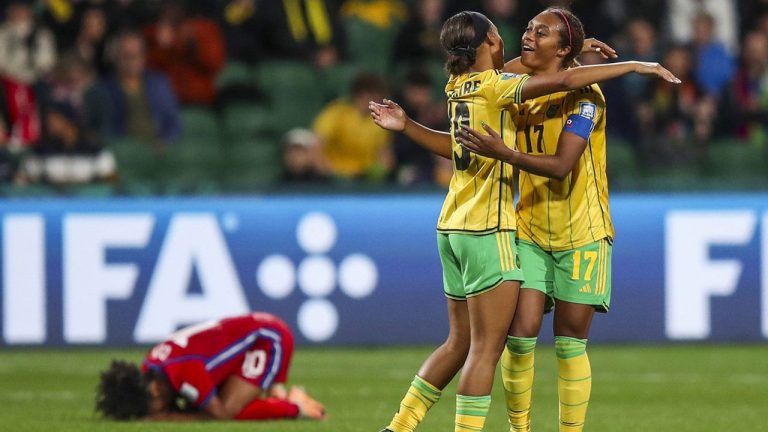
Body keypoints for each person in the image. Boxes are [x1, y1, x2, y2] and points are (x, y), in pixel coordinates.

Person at [370, 10, 679, 432]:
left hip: (576, 230)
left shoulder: (564, 95)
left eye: (540, 32)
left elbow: (561, 163)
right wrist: (632, 64)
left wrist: (410, 127)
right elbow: (541, 75)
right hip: (511, 229)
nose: (525, 36)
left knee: (560, 344)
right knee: (505, 341)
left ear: (562, 47)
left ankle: (402, 426)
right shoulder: (507, 88)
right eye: (523, 30)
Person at [96, 312, 325, 421]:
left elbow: (220, 415)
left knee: (231, 409)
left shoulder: (183, 372)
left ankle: (295, 406)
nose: (153, 412)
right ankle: (282, 398)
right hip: (253, 336)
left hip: (267, 338)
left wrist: (168, 418)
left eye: (151, 407)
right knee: (225, 403)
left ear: (154, 390)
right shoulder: (152, 368)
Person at [102, 31, 180, 146]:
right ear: (116, 57)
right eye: (127, 55)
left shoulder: (159, 84)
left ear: (143, 57)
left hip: (157, 150)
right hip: (123, 151)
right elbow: (103, 128)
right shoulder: (104, 89)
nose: (132, 60)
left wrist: (165, 142)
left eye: (137, 55)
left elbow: (173, 122)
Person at [313, 72, 393, 180]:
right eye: (375, 96)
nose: (379, 101)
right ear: (361, 95)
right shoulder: (336, 112)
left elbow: (384, 155)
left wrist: (381, 172)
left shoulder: (380, 121)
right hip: (334, 177)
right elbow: (317, 145)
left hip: (363, 179)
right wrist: (328, 173)